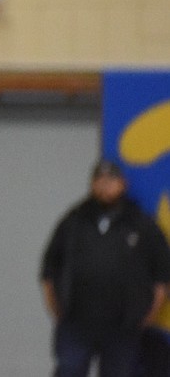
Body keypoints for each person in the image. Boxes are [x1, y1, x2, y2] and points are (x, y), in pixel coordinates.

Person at [41, 159, 170, 377]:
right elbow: (49, 270)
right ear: (92, 184)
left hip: (123, 328)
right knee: (69, 370)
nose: (104, 185)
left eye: (110, 180)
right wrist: (58, 312)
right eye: (99, 180)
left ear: (123, 184)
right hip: (77, 324)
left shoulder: (142, 224)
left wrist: (147, 316)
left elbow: (162, 276)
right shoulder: (73, 222)